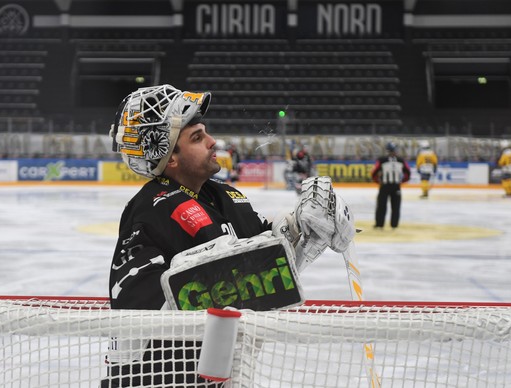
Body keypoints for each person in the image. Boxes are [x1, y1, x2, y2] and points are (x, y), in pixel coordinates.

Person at [103, 84, 356, 386]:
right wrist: (217, 266)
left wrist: (306, 225)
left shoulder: (222, 194)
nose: (213, 142)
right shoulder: (149, 211)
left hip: (216, 378)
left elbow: (266, 263)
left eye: (206, 132)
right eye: (197, 138)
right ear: (169, 157)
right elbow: (138, 312)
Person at [371, 141, 411, 229]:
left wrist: (378, 181)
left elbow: (374, 172)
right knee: (395, 206)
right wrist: (402, 181)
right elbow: (408, 172)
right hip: (396, 186)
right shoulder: (401, 160)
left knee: (382, 205)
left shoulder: (382, 160)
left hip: (385, 186)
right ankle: (394, 225)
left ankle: (379, 224)